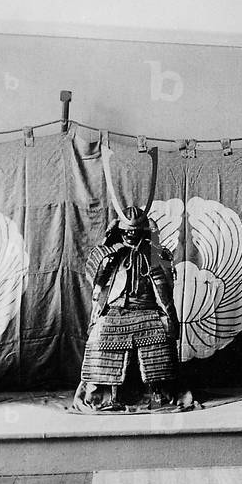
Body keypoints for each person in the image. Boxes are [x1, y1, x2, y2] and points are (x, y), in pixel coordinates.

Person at [72, 147, 190, 413]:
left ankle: (158, 391)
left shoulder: (156, 255)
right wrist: (106, 244)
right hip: (115, 312)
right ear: (120, 232)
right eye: (127, 233)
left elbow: (164, 292)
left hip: (148, 311)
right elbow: (96, 282)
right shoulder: (110, 255)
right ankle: (104, 393)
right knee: (99, 336)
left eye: (136, 234)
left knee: (161, 336)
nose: (131, 238)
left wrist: (170, 319)